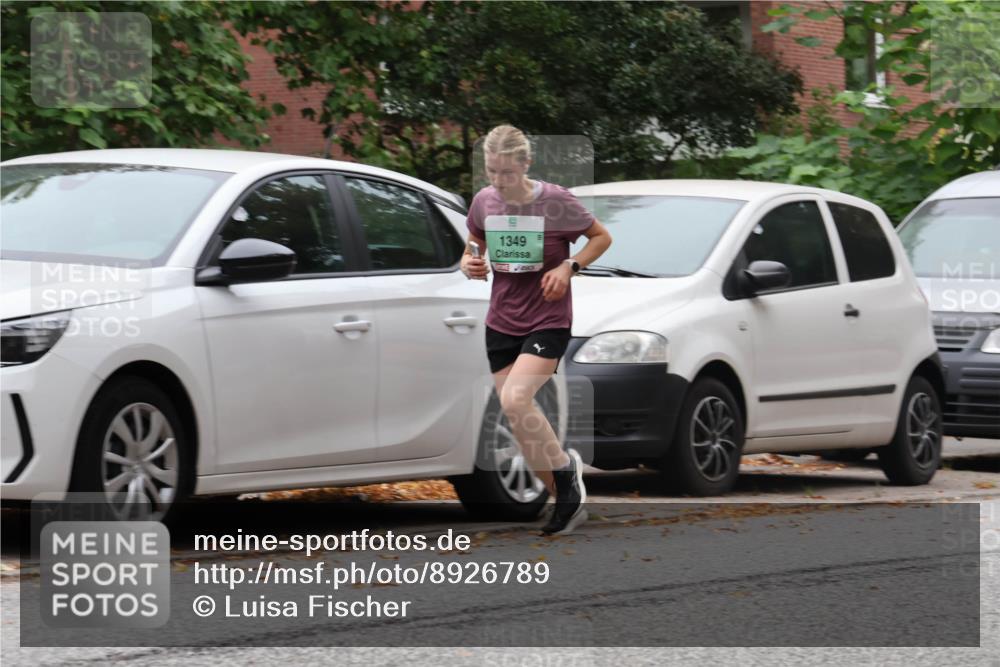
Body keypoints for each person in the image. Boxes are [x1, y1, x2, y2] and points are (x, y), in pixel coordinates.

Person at [462, 124, 612, 535]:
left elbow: (600, 238)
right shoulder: (484, 202)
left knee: (514, 398)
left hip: (547, 318)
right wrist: (470, 262)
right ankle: (567, 496)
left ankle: (565, 476)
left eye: (507, 173)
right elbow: (474, 243)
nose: (499, 181)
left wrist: (569, 266)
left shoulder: (556, 201)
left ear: (526, 165)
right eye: (492, 172)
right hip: (501, 321)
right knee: (518, 419)